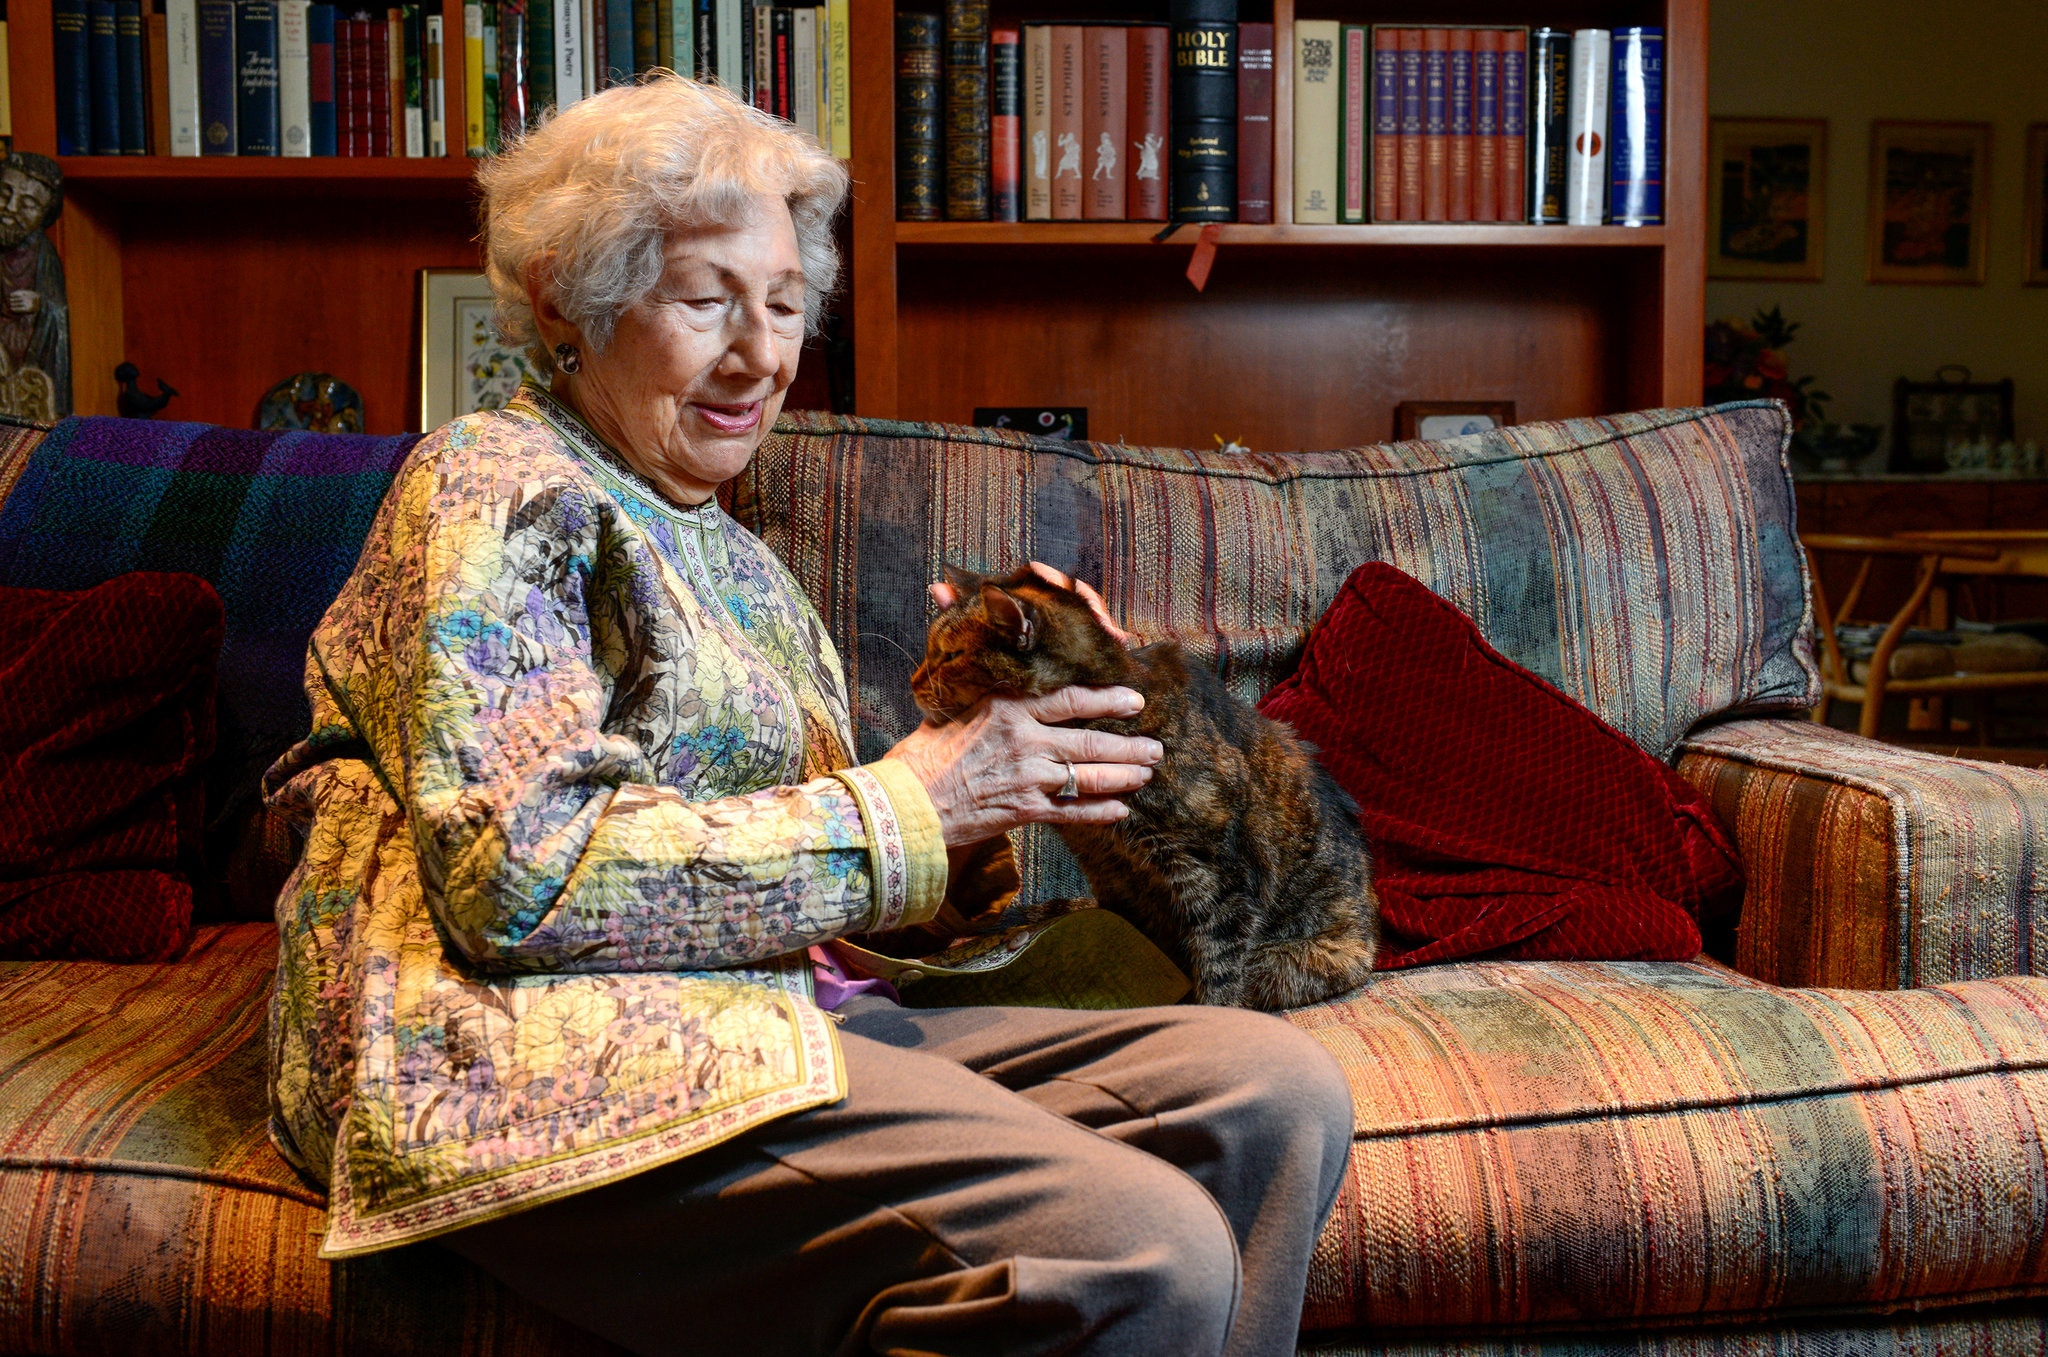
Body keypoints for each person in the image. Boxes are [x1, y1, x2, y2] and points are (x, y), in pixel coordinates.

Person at [265, 74, 1352, 1357]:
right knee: (1133, 1243)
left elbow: (825, 863)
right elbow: (520, 881)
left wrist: (986, 804)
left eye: (781, 306)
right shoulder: (494, 490)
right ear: (568, 300)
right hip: (525, 1056)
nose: (760, 356)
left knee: (1272, 1092)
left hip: (779, 1008)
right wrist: (910, 805)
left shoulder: (739, 559)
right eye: (704, 301)